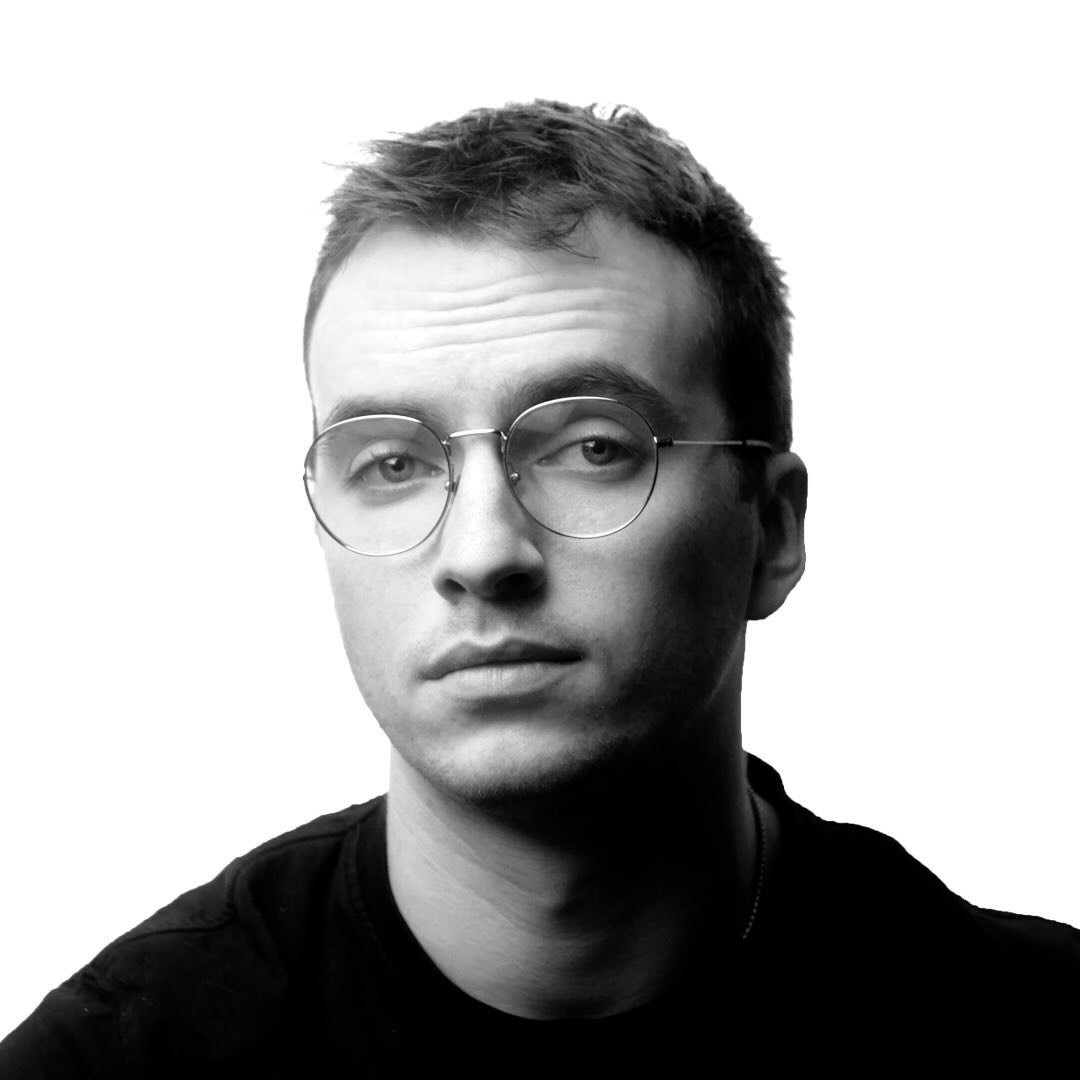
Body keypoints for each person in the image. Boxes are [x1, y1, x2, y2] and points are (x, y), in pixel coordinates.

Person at [2, 100, 1077, 1077]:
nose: (482, 553)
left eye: (591, 448)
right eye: (392, 462)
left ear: (774, 530)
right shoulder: (120, 1066)